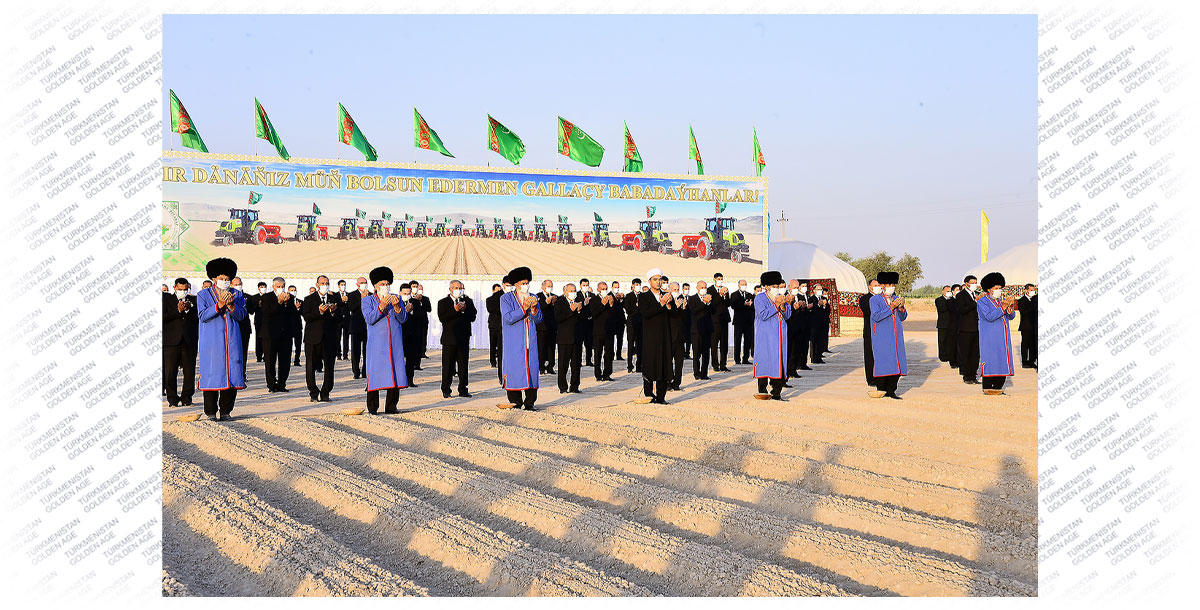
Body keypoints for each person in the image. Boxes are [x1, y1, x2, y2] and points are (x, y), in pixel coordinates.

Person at [196, 258, 246, 421]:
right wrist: (218, 305)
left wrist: (231, 306)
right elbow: (203, 316)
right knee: (212, 375)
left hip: (232, 341)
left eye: (227, 278)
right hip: (212, 342)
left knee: (232, 374)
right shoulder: (203, 295)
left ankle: (226, 411)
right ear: (214, 278)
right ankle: (210, 412)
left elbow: (242, 315)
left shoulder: (237, 294)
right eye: (221, 278)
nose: (225, 281)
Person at [362, 266, 409, 414]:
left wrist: (397, 307)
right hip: (377, 344)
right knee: (375, 373)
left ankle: (391, 406)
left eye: (387, 283)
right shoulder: (368, 300)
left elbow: (403, 319)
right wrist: (381, 306)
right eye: (382, 284)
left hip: (395, 342)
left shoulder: (397, 298)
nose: (385, 286)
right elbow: (369, 319)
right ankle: (372, 407)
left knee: (395, 371)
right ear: (375, 286)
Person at [500, 266, 542, 410]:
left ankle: (530, 402)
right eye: (523, 283)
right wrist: (523, 308)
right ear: (516, 284)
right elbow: (508, 318)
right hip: (514, 342)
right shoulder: (506, 298)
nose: (526, 285)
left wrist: (534, 310)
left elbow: (539, 319)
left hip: (531, 340)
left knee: (532, 369)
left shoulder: (533, 296)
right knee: (514, 369)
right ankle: (515, 401)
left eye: (527, 282)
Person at [753, 271, 791, 401]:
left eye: (777, 286)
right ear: (767, 286)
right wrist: (776, 305)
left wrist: (783, 305)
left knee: (779, 362)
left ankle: (776, 392)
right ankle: (762, 389)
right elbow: (763, 315)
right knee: (764, 360)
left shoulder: (781, 297)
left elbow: (787, 315)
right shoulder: (760, 298)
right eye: (774, 286)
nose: (777, 288)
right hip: (765, 336)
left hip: (780, 336)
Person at [638, 268, 674, 404]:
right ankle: (649, 394)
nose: (658, 282)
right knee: (650, 363)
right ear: (649, 281)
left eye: (660, 279)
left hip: (664, 336)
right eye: (655, 279)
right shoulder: (644, 297)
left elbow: (674, 315)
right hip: (650, 337)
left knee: (664, 364)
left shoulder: (666, 295)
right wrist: (661, 304)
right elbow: (646, 314)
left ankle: (661, 396)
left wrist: (669, 305)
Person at [869, 272, 907, 400]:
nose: (891, 287)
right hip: (882, 336)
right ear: (882, 286)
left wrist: (901, 308)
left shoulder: (896, 298)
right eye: (888, 284)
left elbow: (903, 317)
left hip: (896, 336)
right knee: (883, 361)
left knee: (896, 361)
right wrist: (892, 307)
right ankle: (881, 389)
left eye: (892, 284)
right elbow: (876, 316)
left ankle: (892, 390)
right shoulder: (875, 300)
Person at [302, 275, 340, 402]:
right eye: (322, 283)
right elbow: (306, 317)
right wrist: (320, 312)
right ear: (317, 285)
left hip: (329, 338)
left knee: (329, 367)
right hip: (312, 338)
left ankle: (325, 392)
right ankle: (313, 391)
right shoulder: (309, 299)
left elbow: (340, 318)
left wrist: (333, 312)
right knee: (310, 366)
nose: (325, 285)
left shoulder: (334, 298)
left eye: (327, 283)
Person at [978, 272, 1018, 395]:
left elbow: (1011, 316)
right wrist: (1003, 307)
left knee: (1002, 359)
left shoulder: (1001, 301)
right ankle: (988, 387)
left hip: (1003, 336)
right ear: (989, 289)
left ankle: (999, 387)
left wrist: (1009, 308)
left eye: (1000, 288)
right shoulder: (983, 302)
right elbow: (989, 317)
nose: (999, 290)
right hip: (989, 336)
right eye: (996, 288)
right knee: (991, 359)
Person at [438, 279, 477, 398]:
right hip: (449, 339)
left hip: (463, 338)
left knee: (463, 366)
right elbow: (442, 318)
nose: (459, 290)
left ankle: (463, 389)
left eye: (461, 288)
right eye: (456, 288)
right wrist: (455, 311)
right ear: (450, 289)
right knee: (448, 366)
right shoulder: (443, 302)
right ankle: (446, 389)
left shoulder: (468, 301)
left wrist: (464, 309)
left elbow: (473, 317)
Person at [163, 278, 198, 408]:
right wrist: (177, 311)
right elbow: (163, 317)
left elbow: (199, 317)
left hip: (189, 341)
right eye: (180, 289)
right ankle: (172, 399)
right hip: (171, 341)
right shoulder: (166, 300)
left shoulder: (194, 300)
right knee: (170, 372)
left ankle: (187, 398)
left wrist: (188, 310)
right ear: (174, 288)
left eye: (185, 289)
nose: (183, 291)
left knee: (189, 371)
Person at [259, 276, 296, 392]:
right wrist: (279, 302)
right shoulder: (266, 297)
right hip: (269, 334)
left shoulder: (290, 298)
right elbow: (267, 313)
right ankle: (271, 384)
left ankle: (282, 384)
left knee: (285, 361)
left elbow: (293, 313)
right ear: (273, 287)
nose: (281, 288)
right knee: (270, 360)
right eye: (278, 286)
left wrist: (286, 303)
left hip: (285, 334)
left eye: (282, 286)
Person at [554, 282, 584, 393]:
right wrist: (571, 311)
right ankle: (563, 387)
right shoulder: (560, 302)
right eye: (571, 291)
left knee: (576, 365)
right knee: (563, 365)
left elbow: (585, 318)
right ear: (565, 292)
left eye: (574, 291)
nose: (573, 293)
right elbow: (558, 318)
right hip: (564, 339)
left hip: (577, 338)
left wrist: (579, 311)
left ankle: (574, 386)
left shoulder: (579, 301)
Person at [956, 275, 982, 384]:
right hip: (965, 329)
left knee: (975, 354)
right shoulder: (960, 295)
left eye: (976, 282)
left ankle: (973, 375)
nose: (974, 285)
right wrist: (975, 302)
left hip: (976, 328)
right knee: (965, 353)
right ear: (967, 284)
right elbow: (962, 310)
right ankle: (966, 376)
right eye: (972, 283)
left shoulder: (977, 294)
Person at [589, 281, 616, 381]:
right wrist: (602, 304)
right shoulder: (594, 299)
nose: (605, 291)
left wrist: (612, 304)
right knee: (598, 354)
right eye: (603, 289)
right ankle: (598, 374)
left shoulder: (610, 298)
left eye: (606, 289)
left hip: (609, 331)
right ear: (598, 290)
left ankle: (607, 373)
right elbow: (594, 313)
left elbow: (615, 313)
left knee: (609, 353)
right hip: (598, 331)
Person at [688, 280, 715, 379]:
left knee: (706, 353)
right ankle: (696, 373)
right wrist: (703, 302)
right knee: (696, 353)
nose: (704, 289)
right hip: (696, 330)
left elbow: (714, 310)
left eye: (705, 287)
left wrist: (709, 303)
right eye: (702, 287)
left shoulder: (709, 298)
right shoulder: (692, 298)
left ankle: (704, 374)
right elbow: (694, 310)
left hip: (707, 329)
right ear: (697, 288)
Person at [665, 279, 687, 391]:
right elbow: (667, 316)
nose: (676, 291)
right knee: (668, 362)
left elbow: (687, 319)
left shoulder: (682, 300)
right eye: (674, 289)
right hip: (669, 336)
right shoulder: (665, 300)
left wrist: (684, 309)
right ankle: (668, 382)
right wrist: (675, 307)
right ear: (669, 290)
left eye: (678, 289)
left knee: (679, 362)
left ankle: (677, 382)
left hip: (680, 336)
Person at [347, 277, 370, 379]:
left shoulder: (371, 295)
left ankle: (365, 371)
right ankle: (356, 372)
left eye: (365, 282)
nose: (364, 284)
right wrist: (362, 298)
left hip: (367, 326)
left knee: (367, 351)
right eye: (361, 283)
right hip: (356, 326)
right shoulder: (352, 295)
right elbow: (352, 308)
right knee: (355, 351)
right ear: (357, 284)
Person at [398, 283, 421, 387]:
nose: (407, 295)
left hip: (412, 335)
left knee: (410, 359)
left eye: (408, 293)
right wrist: (405, 311)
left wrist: (411, 312)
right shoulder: (396, 302)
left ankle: (409, 380)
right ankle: (399, 380)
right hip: (399, 335)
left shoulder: (415, 302)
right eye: (404, 293)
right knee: (399, 359)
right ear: (400, 293)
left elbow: (420, 316)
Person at [786, 280, 810, 378]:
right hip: (790, 328)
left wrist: (803, 307)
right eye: (794, 287)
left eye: (797, 287)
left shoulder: (799, 297)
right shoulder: (786, 297)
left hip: (799, 328)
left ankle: (793, 369)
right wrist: (793, 308)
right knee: (789, 351)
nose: (795, 289)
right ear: (789, 287)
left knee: (796, 350)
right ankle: (787, 370)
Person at [707, 273, 731, 372]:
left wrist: (725, 296)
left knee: (724, 343)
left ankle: (723, 364)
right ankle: (715, 364)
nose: (720, 280)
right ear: (714, 279)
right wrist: (720, 295)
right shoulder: (710, 290)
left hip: (724, 319)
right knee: (714, 343)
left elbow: (728, 303)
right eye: (718, 279)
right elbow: (712, 303)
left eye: (721, 279)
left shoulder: (725, 289)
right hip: (714, 320)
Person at [230, 277, 252, 380]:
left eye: (239, 284)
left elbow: (251, 310)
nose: (238, 286)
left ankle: (242, 374)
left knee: (243, 352)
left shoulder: (247, 297)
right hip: (232, 327)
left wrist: (246, 303)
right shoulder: (227, 296)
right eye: (235, 284)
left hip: (244, 328)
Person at [860, 279, 880, 387]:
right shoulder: (864, 299)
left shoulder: (883, 298)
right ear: (870, 287)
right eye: (875, 285)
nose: (878, 287)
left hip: (882, 332)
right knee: (870, 356)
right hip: (870, 331)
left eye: (879, 285)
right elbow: (868, 312)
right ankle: (871, 378)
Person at [730, 279, 755, 365]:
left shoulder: (749, 295)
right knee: (737, 340)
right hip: (738, 322)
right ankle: (737, 359)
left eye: (745, 284)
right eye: (742, 284)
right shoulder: (734, 295)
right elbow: (733, 305)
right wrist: (744, 304)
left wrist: (750, 305)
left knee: (748, 341)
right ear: (739, 285)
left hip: (748, 321)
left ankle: (745, 358)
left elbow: (753, 306)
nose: (744, 286)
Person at [408, 281, 432, 369]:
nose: (415, 288)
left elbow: (429, 309)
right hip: (411, 323)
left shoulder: (425, 298)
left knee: (420, 341)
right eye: (413, 286)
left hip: (422, 323)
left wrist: (420, 301)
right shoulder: (408, 298)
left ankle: (417, 363)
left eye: (416, 286)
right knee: (412, 343)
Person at [536, 279, 558, 375]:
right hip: (542, 327)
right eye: (548, 286)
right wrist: (546, 302)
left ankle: (550, 366)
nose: (550, 288)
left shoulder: (554, 296)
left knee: (551, 348)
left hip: (552, 326)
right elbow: (537, 309)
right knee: (541, 347)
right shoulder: (538, 296)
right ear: (543, 287)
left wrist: (553, 303)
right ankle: (541, 366)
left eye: (551, 286)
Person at [486, 281, 506, 382]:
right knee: (493, 343)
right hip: (493, 325)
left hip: (502, 325)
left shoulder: (505, 298)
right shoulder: (490, 299)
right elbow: (491, 309)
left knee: (501, 345)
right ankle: (493, 360)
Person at [935, 284, 957, 368]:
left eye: (950, 291)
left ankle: (949, 355)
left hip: (952, 324)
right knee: (942, 340)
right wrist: (948, 301)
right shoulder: (939, 300)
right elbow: (942, 308)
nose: (949, 293)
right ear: (943, 291)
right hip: (943, 324)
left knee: (950, 341)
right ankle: (942, 356)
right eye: (947, 291)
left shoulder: (953, 300)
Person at [623, 278, 643, 373]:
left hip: (641, 323)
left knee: (640, 345)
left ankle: (639, 365)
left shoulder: (643, 296)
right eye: (636, 285)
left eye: (639, 284)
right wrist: (636, 306)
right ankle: (630, 365)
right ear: (633, 286)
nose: (638, 286)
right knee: (631, 345)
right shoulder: (629, 296)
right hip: (631, 323)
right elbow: (627, 309)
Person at [1018, 283, 1037, 368]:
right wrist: (1032, 305)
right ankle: (1025, 362)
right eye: (1031, 290)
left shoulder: (1035, 300)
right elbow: (1023, 312)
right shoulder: (1021, 300)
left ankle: (1032, 361)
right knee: (1025, 345)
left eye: (1034, 290)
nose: (1033, 292)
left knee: (1033, 345)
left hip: (1034, 326)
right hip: (1026, 326)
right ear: (1026, 290)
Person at [810, 283, 831, 362]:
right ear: (814, 290)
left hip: (823, 323)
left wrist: (825, 305)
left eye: (821, 289)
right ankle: (813, 357)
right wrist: (818, 304)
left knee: (821, 340)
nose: (820, 291)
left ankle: (819, 356)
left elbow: (828, 311)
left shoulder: (824, 298)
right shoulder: (811, 299)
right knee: (814, 341)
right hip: (814, 323)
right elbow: (812, 310)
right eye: (818, 289)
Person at [578, 278, 594, 366]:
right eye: (584, 285)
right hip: (580, 323)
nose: (585, 287)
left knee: (589, 343)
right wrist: (584, 303)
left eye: (587, 285)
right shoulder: (577, 295)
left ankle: (588, 360)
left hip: (590, 322)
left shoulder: (592, 295)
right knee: (579, 343)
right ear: (580, 286)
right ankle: (579, 360)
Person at [610, 280, 627, 361]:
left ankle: (619, 354)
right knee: (611, 339)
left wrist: (621, 299)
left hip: (620, 321)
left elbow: (624, 306)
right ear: (612, 287)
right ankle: (611, 354)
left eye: (618, 287)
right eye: (615, 287)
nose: (616, 288)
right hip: (612, 321)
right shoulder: (609, 295)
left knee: (620, 339)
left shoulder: (621, 296)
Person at [251, 281, 267, 362]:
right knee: (258, 338)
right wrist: (258, 304)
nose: (263, 288)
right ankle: (259, 355)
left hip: (267, 321)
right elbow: (252, 310)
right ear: (258, 288)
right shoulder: (254, 297)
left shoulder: (268, 296)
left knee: (266, 338)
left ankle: (266, 355)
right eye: (261, 287)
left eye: (264, 287)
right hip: (258, 321)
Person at [335, 279, 351, 359]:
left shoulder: (349, 295)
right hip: (338, 319)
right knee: (337, 337)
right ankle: (338, 354)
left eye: (344, 285)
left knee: (346, 337)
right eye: (341, 285)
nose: (343, 286)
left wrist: (347, 301)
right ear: (338, 286)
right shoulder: (335, 295)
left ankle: (345, 354)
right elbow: (335, 305)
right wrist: (341, 301)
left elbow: (351, 305)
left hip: (347, 319)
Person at [289, 285, 303, 367]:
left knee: (298, 345)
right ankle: (287, 360)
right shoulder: (286, 301)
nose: (293, 292)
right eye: (291, 290)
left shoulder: (300, 302)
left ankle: (297, 360)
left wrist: (298, 309)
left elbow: (303, 313)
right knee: (288, 345)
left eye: (294, 290)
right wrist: (295, 308)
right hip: (289, 326)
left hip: (298, 326)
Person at [680, 283, 693, 359]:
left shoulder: (691, 298)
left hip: (690, 322)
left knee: (689, 339)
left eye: (688, 289)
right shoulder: (679, 297)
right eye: (685, 289)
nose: (687, 290)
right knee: (682, 338)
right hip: (682, 321)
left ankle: (687, 353)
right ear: (682, 289)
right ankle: (682, 353)